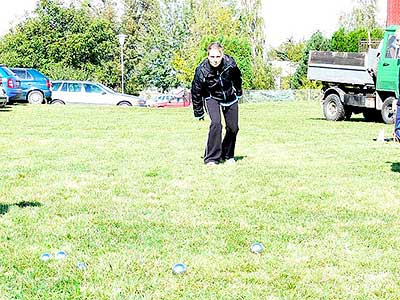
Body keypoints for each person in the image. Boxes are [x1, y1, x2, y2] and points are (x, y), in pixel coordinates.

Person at [191, 42, 243, 165]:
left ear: (222, 55)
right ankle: (211, 158)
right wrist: (199, 112)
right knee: (216, 124)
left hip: (229, 95)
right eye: (212, 57)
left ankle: (227, 154)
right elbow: (196, 91)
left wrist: (239, 91)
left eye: (217, 57)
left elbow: (237, 78)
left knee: (233, 128)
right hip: (211, 96)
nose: (215, 60)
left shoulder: (230, 63)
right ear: (208, 56)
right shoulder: (201, 70)